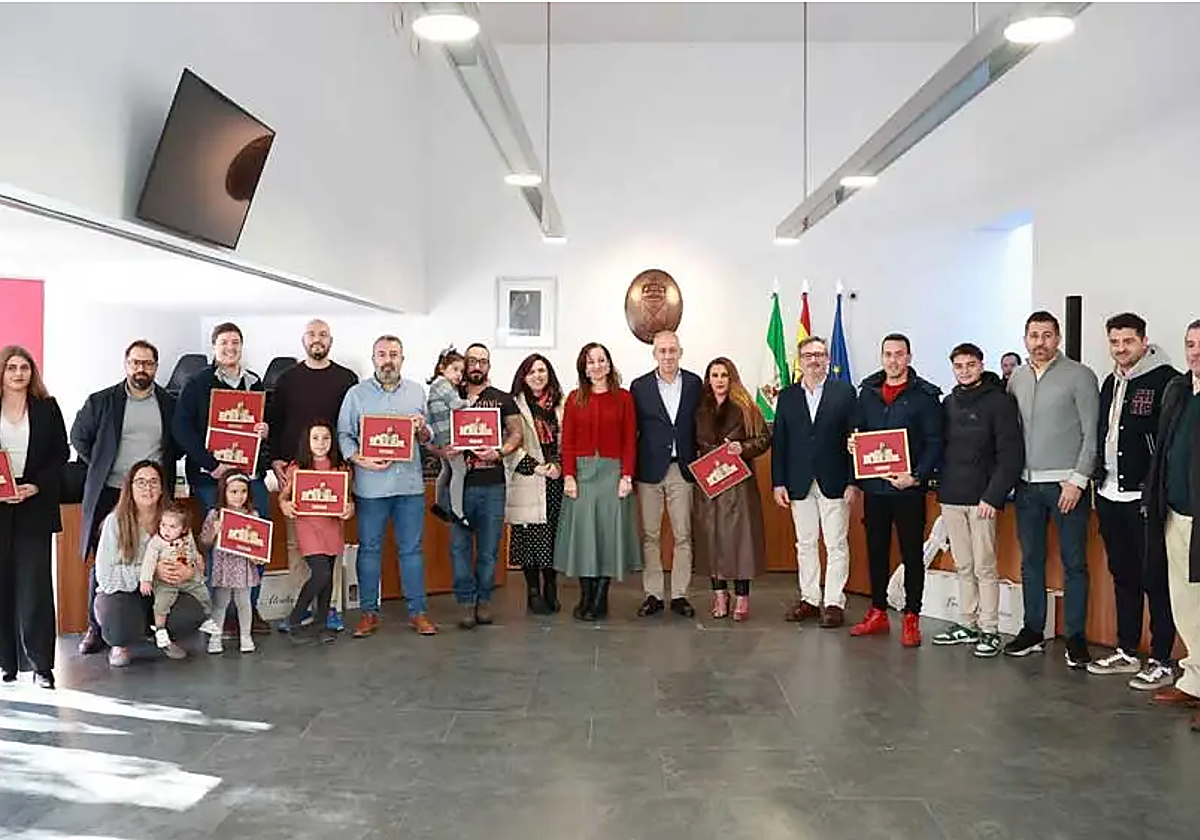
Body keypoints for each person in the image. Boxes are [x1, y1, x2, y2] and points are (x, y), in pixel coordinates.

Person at [70, 339, 178, 655]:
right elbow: (78, 437)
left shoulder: (169, 404)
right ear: (126, 364)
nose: (141, 369)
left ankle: (143, 625)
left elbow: (177, 443)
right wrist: (101, 463)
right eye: (135, 362)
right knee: (102, 558)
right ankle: (96, 627)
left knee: (155, 554)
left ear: (156, 367)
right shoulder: (101, 400)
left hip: (152, 493)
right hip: (110, 490)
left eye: (147, 363)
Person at [1089, 313, 1178, 689]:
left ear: (1143, 341)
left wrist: (1156, 488)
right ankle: (1127, 650)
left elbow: (1168, 442)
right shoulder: (1110, 381)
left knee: (1154, 578)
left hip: (1144, 498)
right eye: (1114, 342)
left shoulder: (1166, 381)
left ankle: (1161, 658)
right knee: (1123, 575)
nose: (1120, 348)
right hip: (1109, 493)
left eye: (1127, 341)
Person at [1005, 311, 1099, 667]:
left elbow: (1092, 433)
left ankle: (1075, 637)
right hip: (1026, 487)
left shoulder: (1080, 376)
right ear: (1025, 339)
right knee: (1031, 562)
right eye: (1033, 335)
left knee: (1075, 563)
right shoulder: (1016, 378)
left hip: (1066, 487)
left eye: (1046, 335)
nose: (1039, 342)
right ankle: (1032, 630)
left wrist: (1079, 479)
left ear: (1057, 338)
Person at [172, 321, 271, 634]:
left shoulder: (254, 383)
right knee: (223, 542)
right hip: (210, 477)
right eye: (224, 343)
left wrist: (264, 431)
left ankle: (249, 609)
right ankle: (221, 612)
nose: (230, 348)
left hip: (249, 475)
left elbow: (263, 426)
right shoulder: (197, 383)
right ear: (213, 348)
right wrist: (210, 464)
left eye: (235, 343)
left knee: (257, 539)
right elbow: (181, 428)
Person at [337, 335, 437, 637]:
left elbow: (429, 438)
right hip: (371, 488)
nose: (388, 360)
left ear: (402, 359)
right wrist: (358, 459)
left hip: (409, 487)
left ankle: (418, 612)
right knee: (369, 550)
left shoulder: (418, 392)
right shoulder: (356, 395)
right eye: (382, 354)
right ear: (373, 359)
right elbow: (344, 434)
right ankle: (369, 613)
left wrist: (423, 429)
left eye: (394, 354)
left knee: (412, 551)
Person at [849, 333, 944, 648]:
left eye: (899, 354)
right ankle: (877, 611)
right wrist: (853, 443)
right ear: (882, 358)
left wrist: (916, 476)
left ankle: (911, 616)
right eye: (888, 354)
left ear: (909, 357)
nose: (893, 360)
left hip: (908, 490)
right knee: (875, 551)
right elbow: (858, 430)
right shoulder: (868, 393)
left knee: (912, 554)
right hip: (875, 489)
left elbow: (934, 443)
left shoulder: (925, 396)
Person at [932, 343, 1023, 658]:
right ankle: (967, 623)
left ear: (982, 365)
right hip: (952, 496)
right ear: (953, 368)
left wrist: (993, 496)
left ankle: (989, 629)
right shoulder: (948, 403)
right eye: (959, 366)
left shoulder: (1000, 403)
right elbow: (939, 447)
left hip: (982, 499)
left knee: (985, 566)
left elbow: (1010, 456)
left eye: (971, 364)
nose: (965, 370)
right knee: (964, 565)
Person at [267, 318, 358, 634]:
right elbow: (276, 422)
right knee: (298, 547)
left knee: (331, 552)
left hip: (334, 473)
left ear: (330, 340)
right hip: (297, 471)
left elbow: (353, 424)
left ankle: (329, 609)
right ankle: (299, 607)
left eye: (323, 335)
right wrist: (276, 460)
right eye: (311, 334)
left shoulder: (347, 378)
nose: (317, 340)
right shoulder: (287, 378)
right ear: (303, 340)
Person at [772, 336, 860, 628]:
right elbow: (780, 443)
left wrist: (853, 481)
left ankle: (834, 602)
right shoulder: (787, 396)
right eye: (808, 355)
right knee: (805, 544)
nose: (814, 360)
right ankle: (809, 599)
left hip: (834, 481)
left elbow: (854, 440)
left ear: (827, 359)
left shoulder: (844, 393)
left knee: (836, 544)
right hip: (798, 482)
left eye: (820, 355)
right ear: (800, 360)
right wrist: (778, 482)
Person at [556, 342, 640, 621]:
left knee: (607, 536)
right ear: (584, 367)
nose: (596, 366)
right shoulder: (573, 398)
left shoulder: (624, 398)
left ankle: (601, 596)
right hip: (582, 474)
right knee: (585, 537)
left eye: (601, 360)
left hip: (612, 473)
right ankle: (586, 595)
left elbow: (630, 440)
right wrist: (568, 475)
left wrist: (627, 475)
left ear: (609, 364)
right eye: (590, 361)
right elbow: (566, 441)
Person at [1143, 319, 1200, 729]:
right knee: (1185, 603)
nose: (1195, 352)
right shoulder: (1179, 390)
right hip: (1175, 513)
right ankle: (1195, 682)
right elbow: (1164, 450)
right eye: (1190, 345)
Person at [0, 346, 68, 688]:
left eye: (24, 367)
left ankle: (41, 665)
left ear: (32, 372)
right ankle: (6, 663)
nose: (18, 373)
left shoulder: (47, 408)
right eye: (11, 367)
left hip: (33, 507)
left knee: (35, 587)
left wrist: (36, 487)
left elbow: (61, 453)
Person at [94, 460, 206, 667]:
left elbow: (195, 564)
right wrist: (151, 572)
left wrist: (189, 572)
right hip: (124, 594)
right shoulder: (115, 522)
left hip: (163, 593)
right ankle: (121, 644)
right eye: (141, 482)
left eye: (154, 482)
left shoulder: (176, 519)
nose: (148, 487)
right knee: (119, 624)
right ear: (129, 488)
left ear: (162, 488)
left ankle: (162, 637)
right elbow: (106, 578)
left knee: (194, 609)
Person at [630, 331, 703, 618]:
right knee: (650, 535)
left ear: (681, 352)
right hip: (649, 470)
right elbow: (631, 430)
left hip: (682, 469)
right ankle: (654, 594)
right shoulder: (640, 387)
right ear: (654, 354)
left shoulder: (696, 384)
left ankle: (681, 594)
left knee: (683, 534)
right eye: (662, 351)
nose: (668, 356)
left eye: (673, 350)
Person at [451, 343, 522, 630]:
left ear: (489, 367)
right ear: (465, 365)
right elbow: (434, 433)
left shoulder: (502, 399)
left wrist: (500, 452)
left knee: (489, 549)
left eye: (483, 361)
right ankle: (466, 602)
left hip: (493, 484)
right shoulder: (451, 397)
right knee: (459, 548)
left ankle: (484, 600)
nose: (477, 366)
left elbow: (516, 433)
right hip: (458, 486)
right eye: (472, 361)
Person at [693, 357, 770, 621]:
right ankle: (719, 596)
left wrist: (742, 448)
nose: (719, 380)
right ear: (708, 380)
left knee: (740, 544)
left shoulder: (746, 406)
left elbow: (763, 439)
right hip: (710, 484)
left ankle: (742, 598)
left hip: (738, 485)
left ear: (731, 377)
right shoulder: (700, 408)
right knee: (712, 542)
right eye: (714, 375)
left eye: (724, 375)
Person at [278, 419, 354, 645]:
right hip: (308, 526)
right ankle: (296, 616)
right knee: (320, 573)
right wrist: (284, 505)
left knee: (328, 577)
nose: (321, 443)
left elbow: (348, 499)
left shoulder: (341, 467)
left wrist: (350, 508)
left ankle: (321, 624)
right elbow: (284, 496)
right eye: (316, 438)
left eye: (326, 438)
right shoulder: (297, 467)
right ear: (307, 441)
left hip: (332, 526)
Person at [504, 353, 566, 615]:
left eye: (542, 371)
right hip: (528, 477)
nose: (537, 376)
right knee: (530, 537)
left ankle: (551, 585)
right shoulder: (512, 405)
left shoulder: (562, 404)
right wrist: (536, 467)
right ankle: (533, 591)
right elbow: (507, 442)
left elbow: (569, 440)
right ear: (523, 377)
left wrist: (558, 466)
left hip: (556, 479)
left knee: (553, 536)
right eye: (531, 372)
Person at [139, 502, 219, 652]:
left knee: (203, 593)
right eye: (163, 525)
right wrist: (146, 580)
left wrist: (198, 559)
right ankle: (160, 628)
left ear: (183, 529)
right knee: (162, 603)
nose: (166, 530)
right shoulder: (156, 543)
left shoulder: (187, 537)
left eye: (172, 527)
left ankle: (206, 618)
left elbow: (193, 550)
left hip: (186, 579)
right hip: (166, 582)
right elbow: (148, 562)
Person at [199, 472, 263, 654]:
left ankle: (245, 636)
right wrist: (214, 530)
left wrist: (257, 556)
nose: (239, 496)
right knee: (220, 603)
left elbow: (259, 543)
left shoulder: (253, 514)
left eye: (243, 491)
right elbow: (204, 542)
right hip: (224, 566)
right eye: (233, 491)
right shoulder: (215, 514)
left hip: (244, 566)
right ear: (224, 492)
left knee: (244, 603)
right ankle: (215, 637)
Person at [425, 347, 471, 528]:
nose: (459, 375)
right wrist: (471, 400)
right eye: (455, 369)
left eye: (462, 371)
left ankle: (438, 503)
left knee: (446, 470)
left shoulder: (438, 385)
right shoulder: (443, 384)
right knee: (460, 471)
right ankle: (458, 511)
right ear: (442, 368)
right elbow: (457, 405)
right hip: (448, 434)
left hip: (440, 434)